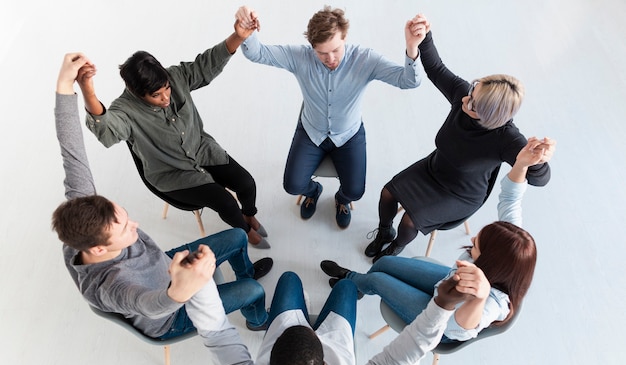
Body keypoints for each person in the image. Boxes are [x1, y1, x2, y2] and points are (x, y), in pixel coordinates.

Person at [52, 53, 273, 340]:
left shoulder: (82, 215)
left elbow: (72, 151)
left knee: (238, 236)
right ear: (98, 250)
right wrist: (184, 286)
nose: (135, 224)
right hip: (172, 314)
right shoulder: (110, 286)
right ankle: (257, 319)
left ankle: (245, 273)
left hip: (165, 265)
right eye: (124, 228)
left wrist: (65, 84)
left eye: (125, 218)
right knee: (254, 292)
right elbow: (150, 306)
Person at [363, 14, 556, 262]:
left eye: (473, 104)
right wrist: (422, 38)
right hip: (434, 169)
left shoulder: (506, 138)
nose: (465, 100)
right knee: (387, 193)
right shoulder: (464, 95)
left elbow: (540, 180)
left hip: (460, 194)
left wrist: (539, 159)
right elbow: (436, 69)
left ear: (490, 116)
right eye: (471, 93)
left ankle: (396, 247)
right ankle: (384, 232)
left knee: (410, 222)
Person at [320, 139, 551, 342]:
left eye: (476, 245)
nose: (471, 240)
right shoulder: (510, 246)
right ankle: (360, 286)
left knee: (378, 280)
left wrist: (478, 299)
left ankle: (350, 281)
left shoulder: (490, 304)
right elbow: (510, 199)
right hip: (447, 282)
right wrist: (522, 163)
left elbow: (454, 328)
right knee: (383, 265)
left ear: (490, 264)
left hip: (439, 319)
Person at [75, 20, 270, 249]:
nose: (166, 97)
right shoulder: (125, 110)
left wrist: (238, 36)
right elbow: (106, 131)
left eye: (166, 88)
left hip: (202, 149)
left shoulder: (174, 76)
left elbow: (205, 65)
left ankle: (248, 216)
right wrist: (87, 89)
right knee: (225, 202)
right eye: (156, 95)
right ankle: (246, 232)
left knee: (247, 183)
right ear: (136, 93)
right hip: (171, 173)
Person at [185, 267, 470, 365]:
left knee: (289, 279)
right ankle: (334, 297)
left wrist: (197, 284)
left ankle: (289, 316)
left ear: (267, 364)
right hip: (337, 342)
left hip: (302, 340)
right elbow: (399, 362)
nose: (312, 329)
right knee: (345, 286)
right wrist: (442, 306)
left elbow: (217, 335)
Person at [235, 5, 425, 228]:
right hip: (311, 131)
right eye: (322, 53)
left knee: (355, 191)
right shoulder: (300, 57)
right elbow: (257, 53)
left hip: (349, 134)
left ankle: (341, 200)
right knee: (292, 186)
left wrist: (412, 47)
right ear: (312, 47)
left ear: (344, 37)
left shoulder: (365, 59)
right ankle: (314, 191)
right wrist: (246, 32)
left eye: (335, 49)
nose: (330, 58)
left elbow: (408, 81)